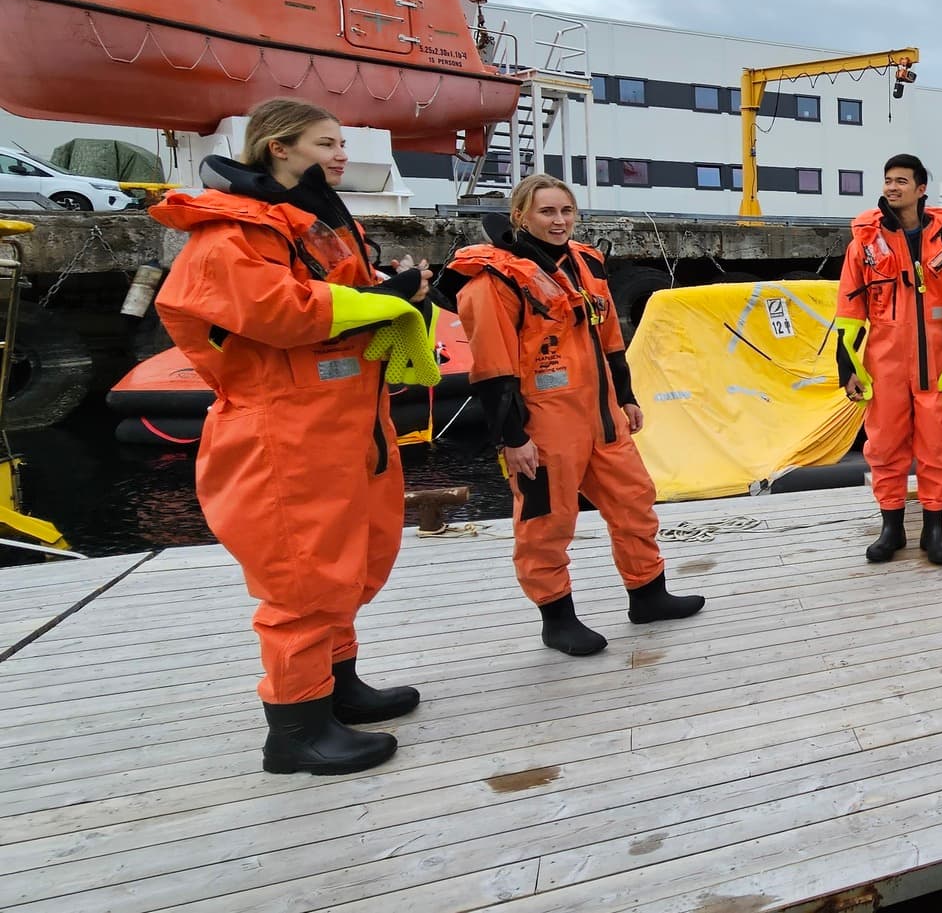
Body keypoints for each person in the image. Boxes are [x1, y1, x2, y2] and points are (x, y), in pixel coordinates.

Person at [152, 98, 441, 775]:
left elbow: (346, 301)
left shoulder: (314, 225)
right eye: (324, 143)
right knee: (303, 580)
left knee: (350, 564)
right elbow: (281, 312)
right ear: (277, 148)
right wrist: (388, 296)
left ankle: (337, 688)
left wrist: (398, 291)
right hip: (285, 432)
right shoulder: (231, 234)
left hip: (343, 422)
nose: (340, 155)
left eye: (342, 143)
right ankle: (296, 729)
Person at [442, 174, 705, 657]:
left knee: (635, 502)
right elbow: (493, 368)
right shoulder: (493, 281)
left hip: (602, 416)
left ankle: (648, 595)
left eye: (567, 211)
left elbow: (609, 340)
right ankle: (557, 619)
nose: (559, 221)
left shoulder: (585, 264)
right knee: (546, 523)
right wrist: (511, 437)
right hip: (543, 424)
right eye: (547, 212)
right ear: (520, 215)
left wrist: (626, 396)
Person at [834, 154, 942, 565]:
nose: (892, 187)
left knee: (937, 447)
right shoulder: (864, 243)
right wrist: (848, 367)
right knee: (883, 446)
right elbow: (848, 309)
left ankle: (934, 530)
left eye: (901, 181)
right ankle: (891, 528)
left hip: (936, 363)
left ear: (920, 190)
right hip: (884, 365)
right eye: (887, 180)